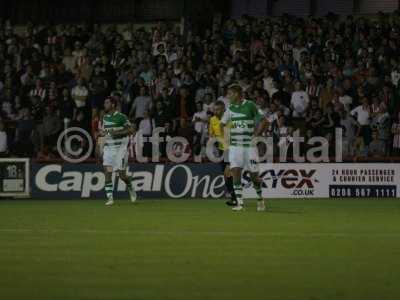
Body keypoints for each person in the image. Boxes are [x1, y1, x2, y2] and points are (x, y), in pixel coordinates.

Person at [220, 84, 268, 212]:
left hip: (249, 147)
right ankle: (240, 204)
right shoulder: (229, 108)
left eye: (230, 94)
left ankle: (260, 199)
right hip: (235, 147)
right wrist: (226, 141)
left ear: (236, 94)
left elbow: (264, 121)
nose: (228, 96)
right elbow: (221, 124)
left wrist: (256, 136)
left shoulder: (250, 105)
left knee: (254, 177)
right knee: (235, 172)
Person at [98, 97, 137, 206]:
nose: (104, 104)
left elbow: (131, 130)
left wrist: (118, 133)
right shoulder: (105, 118)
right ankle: (110, 199)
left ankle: (130, 187)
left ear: (113, 105)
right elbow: (105, 133)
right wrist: (100, 145)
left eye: (107, 102)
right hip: (109, 150)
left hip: (120, 150)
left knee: (122, 176)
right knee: (108, 173)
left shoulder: (121, 117)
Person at [209, 101, 236, 206]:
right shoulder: (212, 120)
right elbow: (211, 135)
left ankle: (235, 198)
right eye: (214, 109)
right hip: (221, 149)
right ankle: (234, 195)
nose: (216, 111)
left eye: (218, 109)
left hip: (231, 148)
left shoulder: (229, 118)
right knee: (226, 176)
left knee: (228, 173)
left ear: (224, 109)